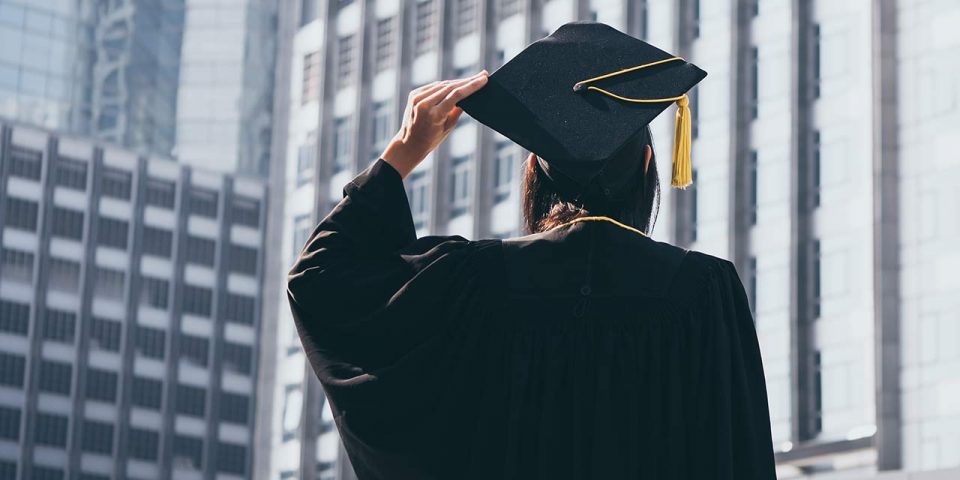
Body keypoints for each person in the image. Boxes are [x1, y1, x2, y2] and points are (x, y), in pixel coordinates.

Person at [288, 21, 776, 480]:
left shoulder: (469, 281)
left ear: (535, 174)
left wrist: (402, 153)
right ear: (647, 164)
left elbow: (319, 280)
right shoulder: (705, 292)